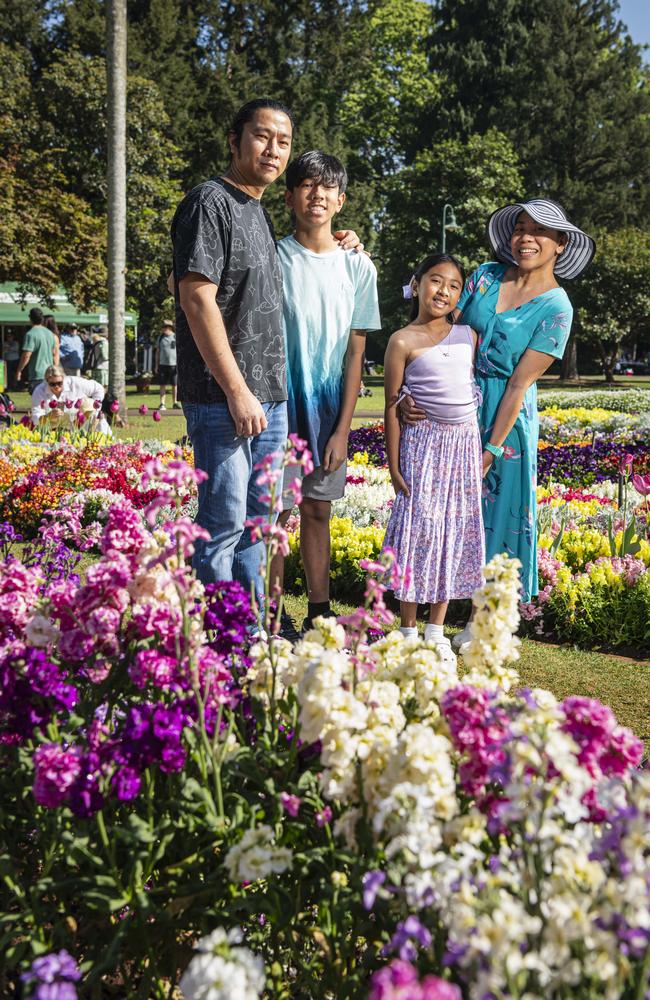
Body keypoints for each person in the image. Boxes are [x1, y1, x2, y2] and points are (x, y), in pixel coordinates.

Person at [171, 98, 360, 608]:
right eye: (262, 137)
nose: (273, 150)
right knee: (223, 522)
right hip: (224, 399)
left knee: (259, 523)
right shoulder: (209, 202)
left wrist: (348, 243)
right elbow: (195, 296)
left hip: (271, 402)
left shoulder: (254, 210)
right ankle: (213, 643)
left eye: (284, 142)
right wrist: (236, 390)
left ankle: (250, 629)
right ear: (234, 141)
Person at [401, 199, 595, 650]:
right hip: (451, 399)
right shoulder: (485, 275)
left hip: (505, 420)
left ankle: (485, 623)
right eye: (521, 228)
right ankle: (430, 613)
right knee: (444, 511)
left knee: (500, 514)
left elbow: (519, 385)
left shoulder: (557, 307)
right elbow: (438, 328)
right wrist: (409, 389)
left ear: (560, 245)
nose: (526, 237)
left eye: (540, 231)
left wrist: (489, 449)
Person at [270, 151, 381, 639]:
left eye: (327, 187)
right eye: (306, 185)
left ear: (341, 199)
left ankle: (319, 610)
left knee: (318, 510)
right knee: (276, 512)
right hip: (276, 408)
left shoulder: (358, 268)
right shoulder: (272, 256)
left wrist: (343, 430)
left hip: (329, 413)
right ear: (290, 194)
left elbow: (356, 356)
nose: (316, 195)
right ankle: (272, 615)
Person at [382, 253, 484, 663]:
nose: (443, 291)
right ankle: (407, 627)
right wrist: (393, 466)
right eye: (435, 281)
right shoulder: (401, 340)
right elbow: (391, 406)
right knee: (420, 531)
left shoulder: (468, 336)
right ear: (417, 283)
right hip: (422, 448)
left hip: (462, 448)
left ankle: (436, 629)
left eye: (454, 285)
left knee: (453, 530)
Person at [31, 364, 111, 434]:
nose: (56, 387)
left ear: (63, 378)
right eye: (52, 384)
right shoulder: (39, 391)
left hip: (79, 420)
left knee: (88, 404)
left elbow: (99, 389)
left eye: (59, 383)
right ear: (46, 381)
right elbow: (36, 418)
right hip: (54, 426)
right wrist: (48, 416)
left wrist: (95, 410)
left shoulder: (75, 382)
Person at [15, 308, 59, 392]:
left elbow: (26, 355)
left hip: (37, 375)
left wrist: (19, 370)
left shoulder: (30, 334)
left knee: (37, 402)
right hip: (49, 373)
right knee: (48, 401)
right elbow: (55, 353)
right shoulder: (50, 334)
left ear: (30, 318)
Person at [155, 320, 179, 409]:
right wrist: (156, 365)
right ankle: (162, 403)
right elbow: (157, 352)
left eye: (165, 327)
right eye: (163, 327)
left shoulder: (175, 337)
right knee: (162, 385)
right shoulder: (160, 338)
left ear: (170, 328)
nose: (164, 329)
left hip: (174, 365)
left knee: (174, 385)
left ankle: (175, 402)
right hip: (162, 365)